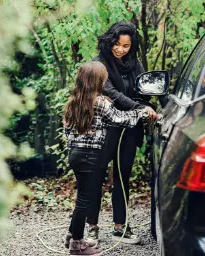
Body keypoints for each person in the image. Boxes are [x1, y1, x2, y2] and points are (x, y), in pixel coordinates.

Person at [63, 61, 152, 255]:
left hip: (75, 155)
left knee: (82, 196)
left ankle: (72, 234)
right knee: (84, 201)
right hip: (91, 156)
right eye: (104, 79)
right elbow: (121, 119)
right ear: (97, 81)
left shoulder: (72, 102)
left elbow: (67, 132)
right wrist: (141, 112)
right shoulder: (101, 102)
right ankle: (77, 244)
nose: (105, 82)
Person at [86, 20, 157, 244]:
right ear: (109, 41)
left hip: (129, 130)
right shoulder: (98, 65)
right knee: (95, 177)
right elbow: (113, 94)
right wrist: (140, 107)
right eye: (117, 44)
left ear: (131, 46)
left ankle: (120, 227)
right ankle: (92, 228)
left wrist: (152, 104)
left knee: (122, 176)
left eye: (126, 46)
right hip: (102, 130)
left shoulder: (135, 64)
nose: (120, 49)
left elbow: (146, 88)